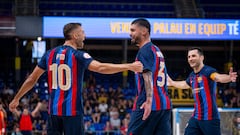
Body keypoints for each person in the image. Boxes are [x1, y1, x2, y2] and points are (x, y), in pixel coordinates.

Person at [9, 22, 143, 135]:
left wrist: (16, 98)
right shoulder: (78, 55)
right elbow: (101, 68)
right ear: (75, 36)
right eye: (82, 33)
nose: (84, 36)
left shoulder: (49, 54)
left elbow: (32, 79)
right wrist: (129, 66)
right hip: (72, 112)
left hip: (53, 112)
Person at [168, 47, 238, 135]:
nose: (190, 59)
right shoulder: (192, 75)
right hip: (196, 118)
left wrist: (229, 78)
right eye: (189, 57)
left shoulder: (208, 71)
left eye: (193, 56)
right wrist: (172, 83)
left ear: (201, 58)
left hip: (210, 119)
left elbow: (218, 77)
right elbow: (185, 84)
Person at [127, 18, 172, 135]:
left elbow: (147, 74)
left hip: (148, 104)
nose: (130, 33)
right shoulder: (156, 50)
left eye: (133, 30)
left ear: (144, 31)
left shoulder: (145, 50)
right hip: (164, 105)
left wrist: (148, 100)